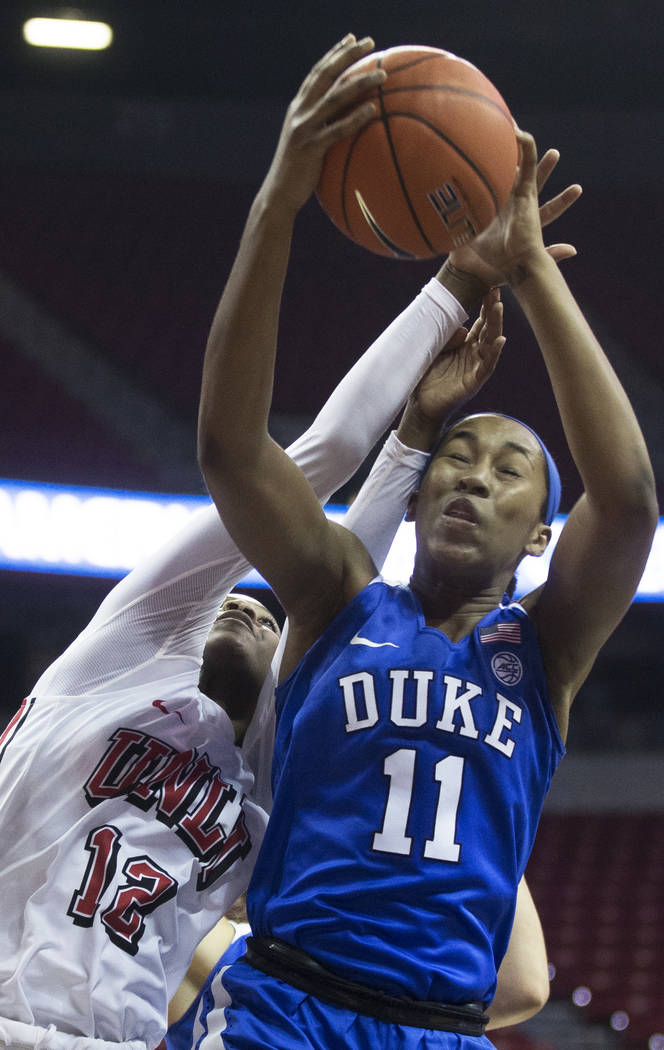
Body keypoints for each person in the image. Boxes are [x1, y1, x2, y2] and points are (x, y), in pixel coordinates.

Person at [196, 33, 658, 1050]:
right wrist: (280, 197)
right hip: (281, 1005)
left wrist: (531, 272)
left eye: (507, 472)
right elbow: (232, 450)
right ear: (408, 500)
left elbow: (625, 502)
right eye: (456, 458)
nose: (472, 478)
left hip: (441, 1027)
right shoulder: (338, 596)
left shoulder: (544, 653)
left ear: (541, 534)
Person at [0, 146, 502, 1050]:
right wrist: (452, 291)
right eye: (245, 600)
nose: (251, 607)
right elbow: (319, 459)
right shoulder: (115, 658)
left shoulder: (267, 782)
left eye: (275, 616)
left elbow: (340, 582)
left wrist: (423, 435)